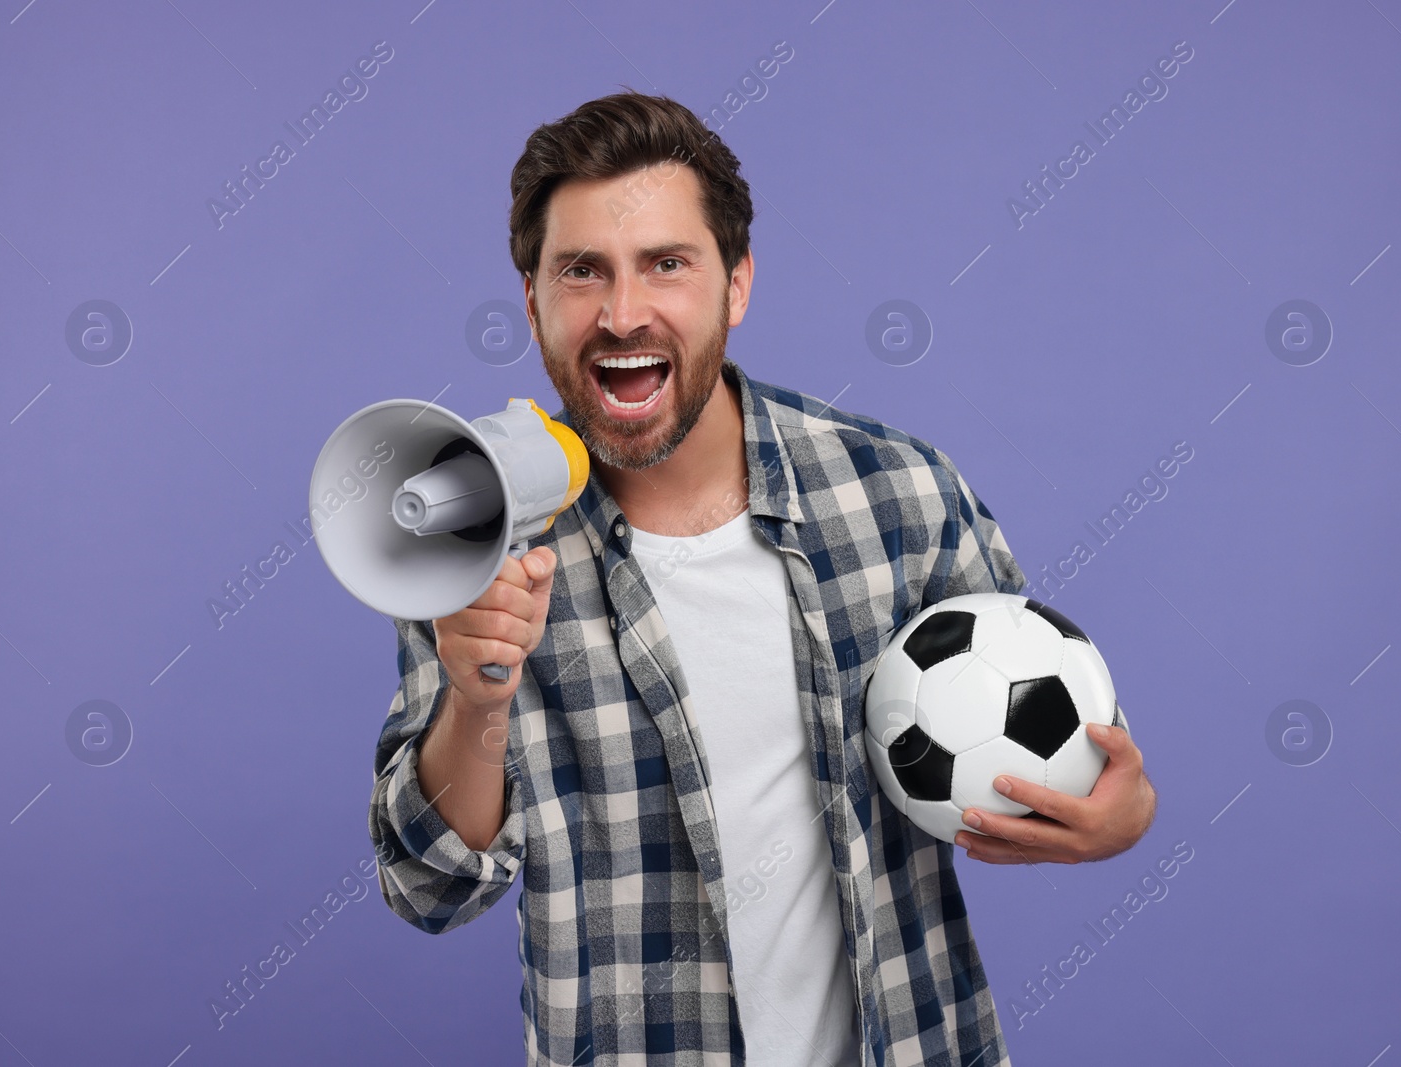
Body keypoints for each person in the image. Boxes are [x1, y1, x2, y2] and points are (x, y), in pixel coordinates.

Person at [368, 91, 1157, 1066]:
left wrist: (1125, 809)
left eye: (667, 263)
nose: (622, 313)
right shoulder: (470, 539)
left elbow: (1053, 724)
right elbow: (430, 886)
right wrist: (476, 692)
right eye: (581, 271)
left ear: (735, 285)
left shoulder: (898, 492)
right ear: (531, 299)